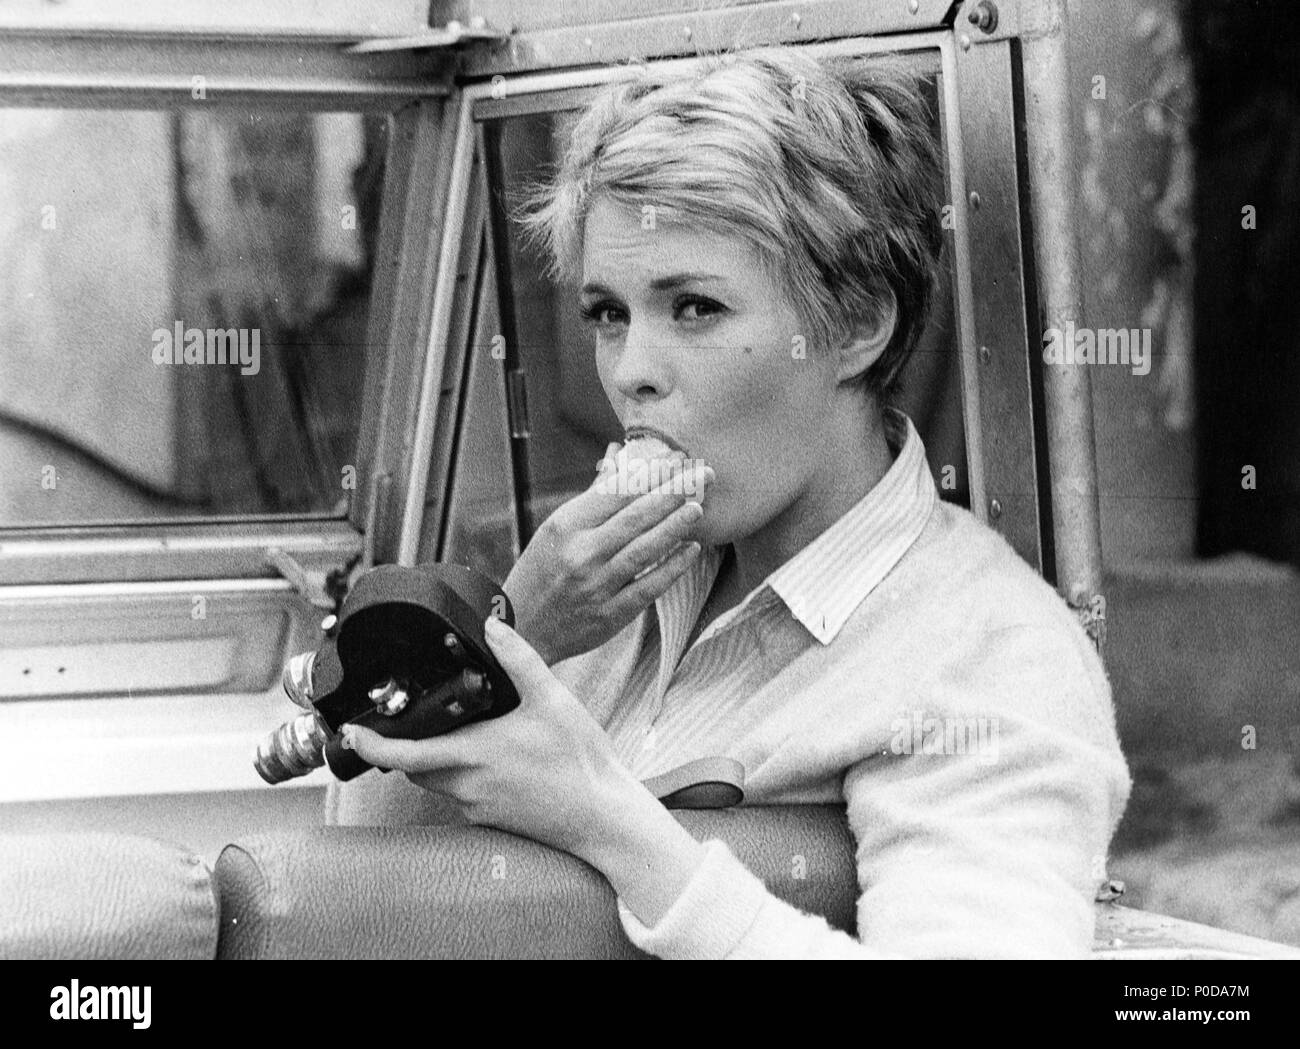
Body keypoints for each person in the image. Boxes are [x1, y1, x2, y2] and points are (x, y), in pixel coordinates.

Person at [341, 47, 1132, 959]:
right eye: (608, 313)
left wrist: (605, 819)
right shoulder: (590, 594)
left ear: (859, 323)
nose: (631, 372)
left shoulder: (991, 657)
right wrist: (512, 635)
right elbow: (359, 887)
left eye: (695, 308)